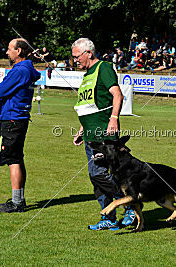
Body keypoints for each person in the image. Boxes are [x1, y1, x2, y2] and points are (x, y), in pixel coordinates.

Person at [71, 38, 136, 230]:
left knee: (98, 173)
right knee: (95, 177)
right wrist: (82, 129)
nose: (74, 60)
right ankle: (109, 216)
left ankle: (128, 202)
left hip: (104, 135)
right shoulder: (86, 75)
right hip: (90, 135)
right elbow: (89, 107)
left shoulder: (104, 68)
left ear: (88, 53)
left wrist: (114, 118)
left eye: (77, 56)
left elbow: (117, 94)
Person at [0, 38, 41, 213]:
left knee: (13, 160)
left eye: (9, 49)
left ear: (19, 51)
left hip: (12, 118)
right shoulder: (27, 69)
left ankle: (16, 202)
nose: (7, 52)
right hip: (18, 118)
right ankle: (19, 199)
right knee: (18, 159)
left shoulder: (20, 70)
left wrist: (0, 87)